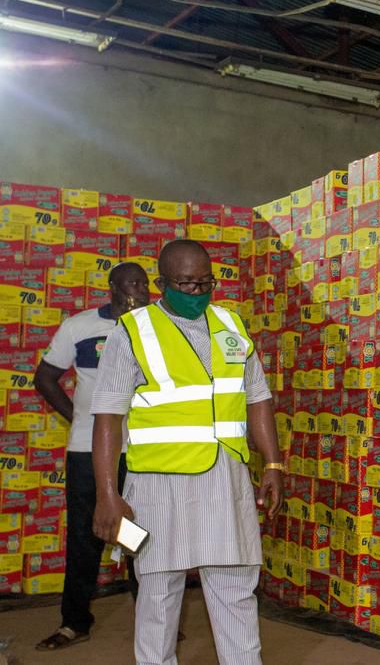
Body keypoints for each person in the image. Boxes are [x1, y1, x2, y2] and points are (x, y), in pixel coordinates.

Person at [90, 239, 284, 665]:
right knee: (158, 594)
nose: (196, 292)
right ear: (161, 284)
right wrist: (107, 494)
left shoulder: (231, 325)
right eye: (185, 284)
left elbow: (257, 397)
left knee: (235, 589)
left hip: (226, 480)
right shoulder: (132, 331)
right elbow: (106, 417)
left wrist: (272, 463)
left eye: (205, 283)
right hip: (158, 485)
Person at [33, 263, 150, 651]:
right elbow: (44, 377)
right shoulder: (80, 326)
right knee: (86, 536)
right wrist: (80, 418)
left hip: (143, 450)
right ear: (113, 287)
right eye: (133, 283)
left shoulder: (157, 327)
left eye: (145, 283)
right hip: (88, 450)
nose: (142, 289)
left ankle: (153, 618)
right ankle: (74, 622)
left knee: (139, 536)